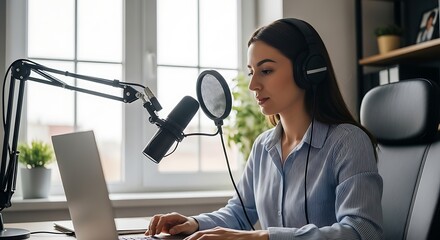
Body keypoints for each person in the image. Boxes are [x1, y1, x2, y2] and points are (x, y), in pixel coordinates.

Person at [146, 18, 383, 240]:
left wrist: (264, 237)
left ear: (308, 71)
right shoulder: (263, 145)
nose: (253, 85)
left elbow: (362, 230)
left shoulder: (348, 142)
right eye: (251, 72)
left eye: (266, 71)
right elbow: (239, 213)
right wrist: (193, 223)